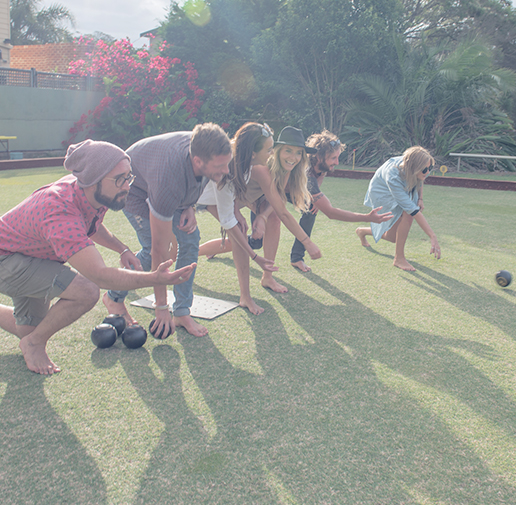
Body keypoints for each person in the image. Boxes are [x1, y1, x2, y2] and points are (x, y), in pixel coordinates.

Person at [0, 140, 196, 375]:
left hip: (30, 256)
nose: (127, 186)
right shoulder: (59, 209)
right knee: (86, 291)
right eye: (120, 179)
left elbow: (92, 225)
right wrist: (155, 278)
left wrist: (122, 248)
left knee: (29, 328)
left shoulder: (93, 193)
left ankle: (30, 338)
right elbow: (100, 276)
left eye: (129, 177)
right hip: (7, 259)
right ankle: (34, 345)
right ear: (93, 180)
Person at [104, 123, 232, 340]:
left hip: (164, 183)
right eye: (221, 165)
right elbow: (160, 251)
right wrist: (161, 307)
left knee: (191, 240)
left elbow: (197, 180)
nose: (227, 170)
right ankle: (113, 296)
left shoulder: (203, 152)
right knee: (151, 249)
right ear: (198, 161)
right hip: (136, 192)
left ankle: (182, 312)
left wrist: (189, 206)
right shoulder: (168, 179)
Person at [197, 124, 321, 302]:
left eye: (298, 153)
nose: (293, 157)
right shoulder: (260, 165)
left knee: (273, 219)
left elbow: (277, 200)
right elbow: (229, 188)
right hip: (224, 198)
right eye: (288, 151)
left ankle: (267, 277)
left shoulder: (286, 168)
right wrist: (307, 243)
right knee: (238, 237)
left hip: (248, 199)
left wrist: (262, 217)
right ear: (276, 150)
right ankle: (194, 254)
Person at [287, 130, 392, 272]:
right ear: (318, 156)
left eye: (337, 157)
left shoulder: (320, 166)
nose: (336, 162)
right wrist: (367, 217)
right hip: (271, 191)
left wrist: (315, 199)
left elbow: (320, 177)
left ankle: (296, 258)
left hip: (295, 189)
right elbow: (331, 213)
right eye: (333, 158)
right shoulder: (307, 175)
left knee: (310, 211)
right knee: (259, 237)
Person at [356, 146, 441, 271]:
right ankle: (399, 259)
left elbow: (420, 179)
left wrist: (420, 198)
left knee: (392, 238)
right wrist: (432, 236)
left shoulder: (419, 166)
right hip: (383, 192)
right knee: (409, 213)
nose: (428, 172)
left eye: (430, 168)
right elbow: (413, 211)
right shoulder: (393, 176)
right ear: (415, 167)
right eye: (425, 169)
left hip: (405, 182)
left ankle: (362, 231)